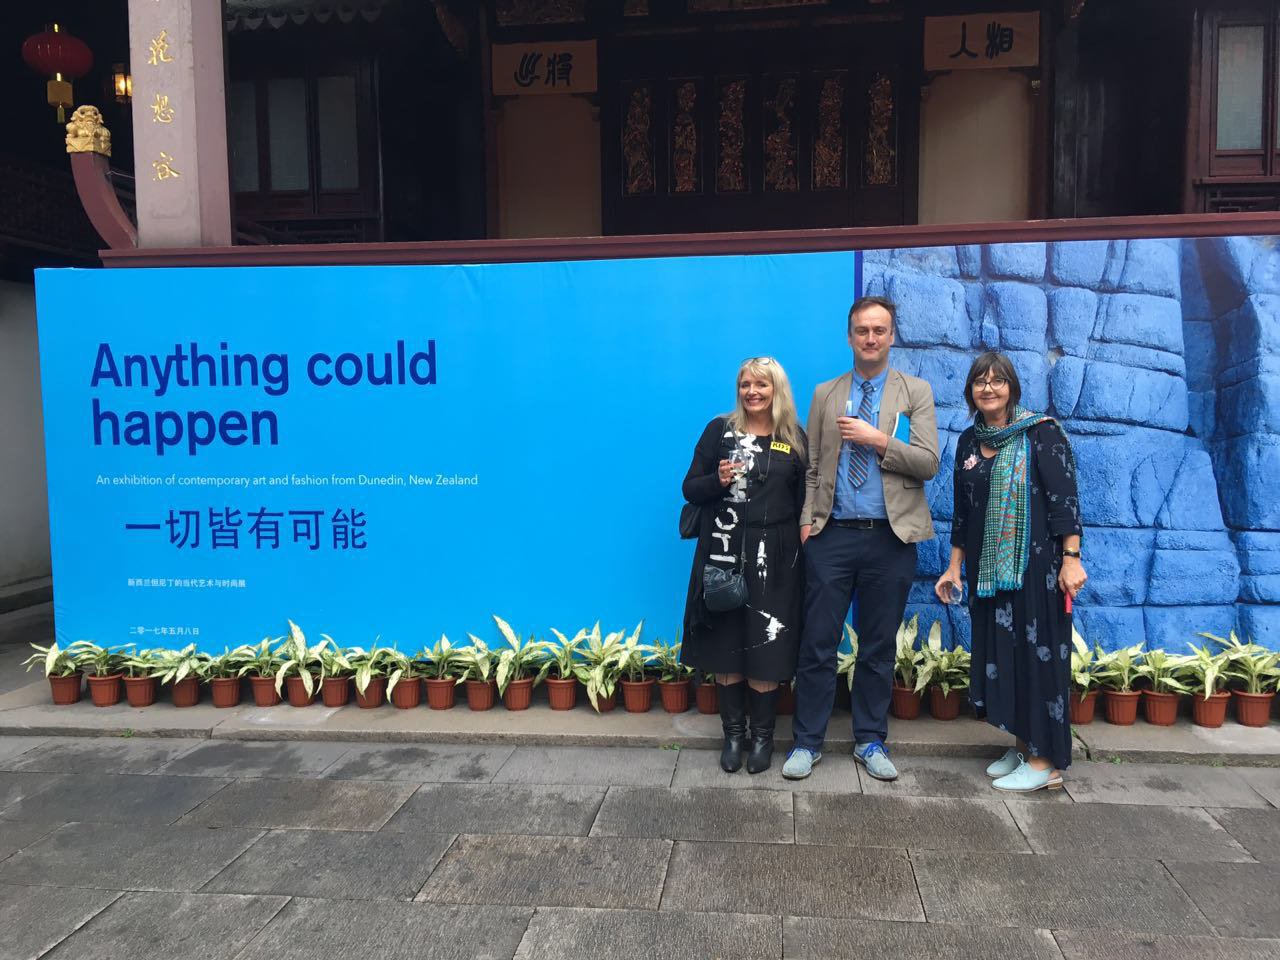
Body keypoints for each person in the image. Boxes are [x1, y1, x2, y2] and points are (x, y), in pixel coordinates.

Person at [783, 296, 939, 782]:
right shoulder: (826, 393)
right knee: (818, 642)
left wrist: (877, 441)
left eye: (880, 330)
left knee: (877, 646)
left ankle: (870, 740)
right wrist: (808, 523)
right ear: (849, 337)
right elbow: (811, 468)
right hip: (832, 536)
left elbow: (928, 463)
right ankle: (807, 742)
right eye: (862, 330)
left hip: (890, 540)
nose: (871, 338)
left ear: (892, 336)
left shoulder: (915, 391)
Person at [933, 352, 1087, 793]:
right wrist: (954, 568)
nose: (988, 388)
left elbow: (1065, 501)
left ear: (1012, 388)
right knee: (1006, 655)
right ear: (970, 391)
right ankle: (1024, 747)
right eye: (980, 381)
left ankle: (1045, 763)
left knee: (1038, 658)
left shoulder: (1041, 433)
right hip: (986, 573)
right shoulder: (968, 441)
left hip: (1036, 570)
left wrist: (1071, 558)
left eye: (998, 381)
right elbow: (962, 513)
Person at [681, 357, 808, 775]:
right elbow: (689, 488)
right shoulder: (720, 430)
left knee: (766, 646)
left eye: (761, 384)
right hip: (722, 553)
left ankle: (763, 739)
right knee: (727, 646)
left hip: (776, 558)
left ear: (777, 390)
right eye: (745, 383)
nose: (752, 391)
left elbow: (806, 500)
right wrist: (716, 481)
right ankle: (733, 735)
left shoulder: (794, 438)